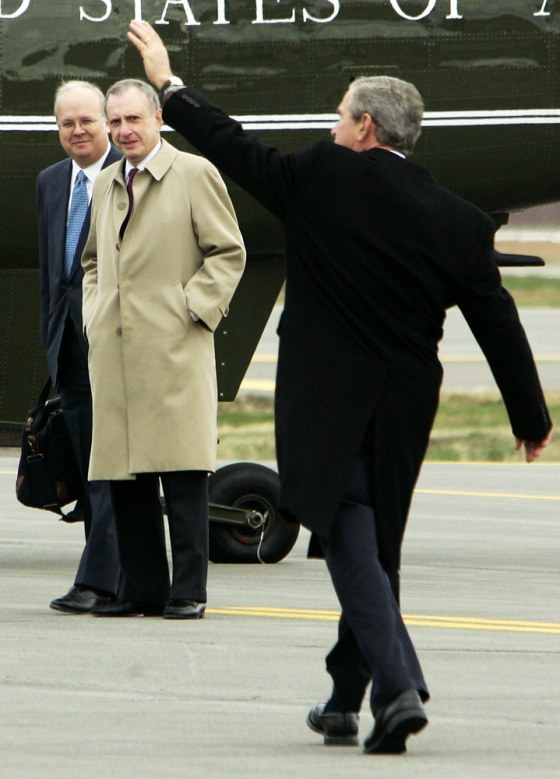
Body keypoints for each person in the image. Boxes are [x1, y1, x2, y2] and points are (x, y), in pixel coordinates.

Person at [127, 21, 552, 750]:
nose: (329, 127)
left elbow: (234, 148)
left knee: (350, 532)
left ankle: (396, 686)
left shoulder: (321, 176)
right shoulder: (457, 220)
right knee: (375, 543)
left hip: (326, 397)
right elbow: (498, 318)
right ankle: (342, 696)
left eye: (335, 116)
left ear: (361, 125)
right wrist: (529, 415)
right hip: (407, 401)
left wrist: (170, 86)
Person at [81, 78, 246, 620]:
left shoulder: (195, 174)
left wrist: (190, 310)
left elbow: (227, 252)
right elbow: (92, 263)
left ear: (157, 118)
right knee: (125, 477)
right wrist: (96, 314)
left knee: (182, 475)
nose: (124, 131)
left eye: (133, 119)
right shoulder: (106, 183)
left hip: (174, 347)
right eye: (116, 121)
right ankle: (142, 589)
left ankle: (188, 591)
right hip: (116, 352)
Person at [37, 81, 123, 614]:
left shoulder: (127, 175)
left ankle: (97, 579)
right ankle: (111, 574)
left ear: (106, 121)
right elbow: (53, 275)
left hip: (117, 344)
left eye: (86, 121)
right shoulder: (50, 182)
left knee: (111, 465)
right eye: (66, 124)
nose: (77, 132)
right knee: (91, 464)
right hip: (69, 348)